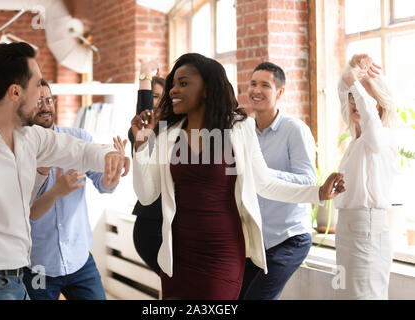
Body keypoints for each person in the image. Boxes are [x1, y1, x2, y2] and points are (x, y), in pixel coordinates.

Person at [130, 53, 345, 300]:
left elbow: (264, 183)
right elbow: (147, 195)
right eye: (174, 85)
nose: (173, 91)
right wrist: (141, 142)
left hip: (221, 251)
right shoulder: (169, 134)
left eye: (184, 83)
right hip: (178, 252)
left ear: (207, 89)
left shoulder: (239, 128)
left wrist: (317, 192)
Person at [0, 42, 129, 300]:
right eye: (37, 84)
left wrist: (108, 155)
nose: (42, 95)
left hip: (14, 277)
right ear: (16, 92)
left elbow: (78, 150)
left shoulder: (29, 138)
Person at [21, 79, 121, 300]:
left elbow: (103, 184)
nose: (46, 106)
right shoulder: (19, 150)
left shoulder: (79, 138)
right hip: (39, 266)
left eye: (49, 100)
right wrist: (56, 190)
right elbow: (25, 212)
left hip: (79, 261)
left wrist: (112, 177)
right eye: (38, 101)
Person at [239, 62, 316, 300]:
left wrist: (264, 174)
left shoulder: (295, 130)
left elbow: (308, 181)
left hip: (288, 237)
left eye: (265, 85)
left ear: (280, 92)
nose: (256, 90)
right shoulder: (244, 130)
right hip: (256, 241)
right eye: (253, 84)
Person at [334, 54, 399, 300]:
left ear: (378, 104)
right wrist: (351, 63)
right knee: (344, 296)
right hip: (347, 230)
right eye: (353, 97)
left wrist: (354, 83)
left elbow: (368, 115)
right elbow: (343, 92)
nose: (354, 101)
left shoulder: (380, 138)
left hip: (367, 230)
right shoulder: (357, 138)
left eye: (361, 96)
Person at [128, 61, 165, 275]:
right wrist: (145, 75)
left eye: (159, 96)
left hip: (174, 224)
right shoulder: (142, 131)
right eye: (151, 95)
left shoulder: (178, 129)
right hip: (151, 225)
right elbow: (144, 109)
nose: (154, 101)